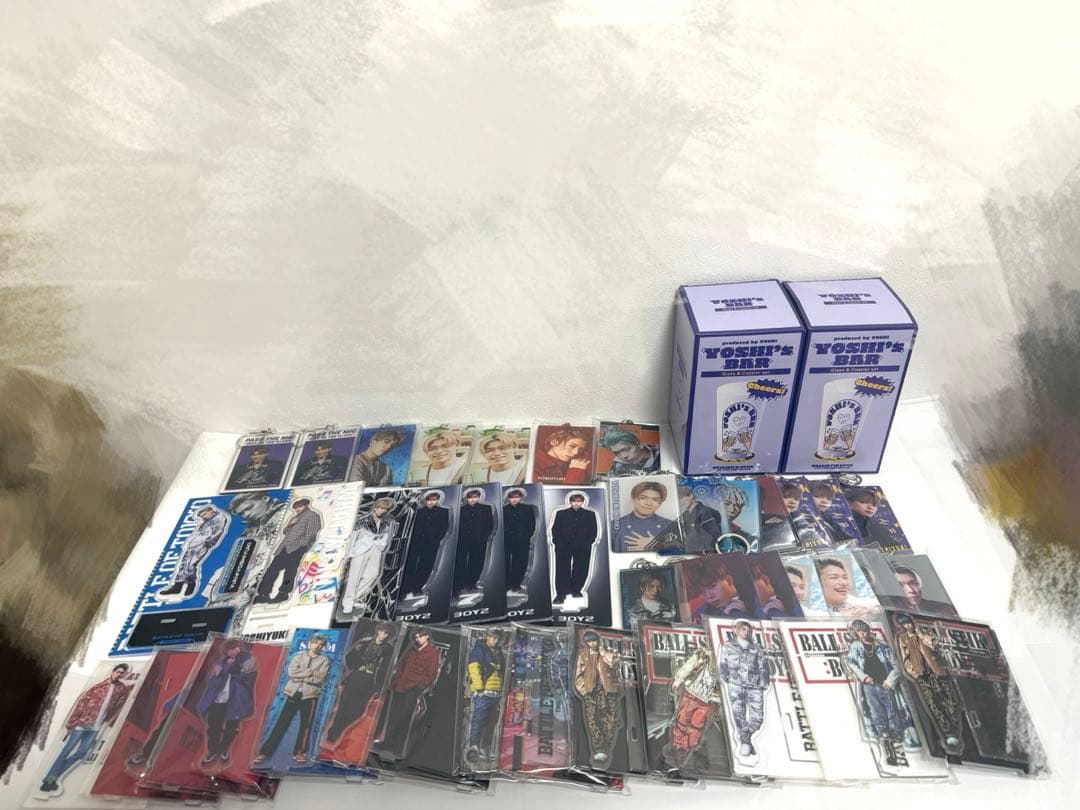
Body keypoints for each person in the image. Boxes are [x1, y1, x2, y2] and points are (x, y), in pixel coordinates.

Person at [39, 664, 133, 794]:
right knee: (66, 751)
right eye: (118, 671)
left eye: (122, 673)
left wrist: (108, 719)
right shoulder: (98, 686)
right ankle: (49, 780)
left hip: (96, 727)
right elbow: (81, 704)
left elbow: (119, 705)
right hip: (82, 724)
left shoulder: (121, 689)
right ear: (113, 671)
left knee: (82, 752)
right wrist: (71, 724)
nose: (119, 674)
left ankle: (53, 777)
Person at [255, 634, 330, 765]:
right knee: (282, 722)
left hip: (310, 695)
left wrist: (302, 676)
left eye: (320, 644)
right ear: (310, 643)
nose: (317, 646)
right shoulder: (298, 657)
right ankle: (265, 752)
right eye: (315, 643)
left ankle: (299, 752)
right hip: (293, 693)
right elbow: (291, 673)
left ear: (323, 647)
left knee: (306, 725)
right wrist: (310, 672)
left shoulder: (324, 660)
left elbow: (320, 678)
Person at [892, 613, 963, 751]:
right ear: (902, 625)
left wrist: (920, 634)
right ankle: (948, 733)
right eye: (905, 624)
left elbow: (934, 644)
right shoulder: (902, 638)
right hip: (921, 675)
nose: (908, 625)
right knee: (933, 703)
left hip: (936, 670)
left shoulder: (924, 631)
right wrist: (914, 672)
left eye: (909, 622)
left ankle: (955, 728)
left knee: (948, 699)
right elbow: (905, 657)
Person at [845, 620, 906, 766]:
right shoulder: (856, 647)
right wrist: (864, 677)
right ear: (855, 633)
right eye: (859, 631)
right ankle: (887, 747)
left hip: (885, 684)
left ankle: (898, 744)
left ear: (868, 629)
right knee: (877, 713)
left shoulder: (882, 645)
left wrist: (890, 681)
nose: (862, 633)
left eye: (864, 629)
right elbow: (852, 663)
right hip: (869, 685)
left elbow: (896, 665)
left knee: (892, 712)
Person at [325, 623, 397, 744]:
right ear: (378, 631)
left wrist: (380, 686)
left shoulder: (390, 650)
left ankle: (341, 731)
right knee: (343, 706)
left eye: (386, 634)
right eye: (382, 632)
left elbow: (386, 669)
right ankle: (334, 733)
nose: (383, 635)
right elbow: (348, 659)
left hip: (370, 682)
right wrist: (358, 664)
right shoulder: (365, 642)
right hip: (355, 677)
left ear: (389, 636)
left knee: (357, 711)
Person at [379, 627, 440, 759]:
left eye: (420, 636)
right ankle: (386, 743)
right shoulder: (412, 650)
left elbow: (431, 675)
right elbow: (401, 666)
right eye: (416, 637)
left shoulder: (432, 653)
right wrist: (395, 681)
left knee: (404, 718)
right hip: (399, 687)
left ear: (427, 636)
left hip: (412, 690)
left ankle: (395, 746)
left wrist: (419, 687)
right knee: (393, 716)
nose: (418, 639)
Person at [197, 639, 257, 766]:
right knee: (213, 727)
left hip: (235, 701)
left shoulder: (246, 658)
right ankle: (213, 751)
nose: (234, 651)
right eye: (230, 650)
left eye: (236, 648)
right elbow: (213, 681)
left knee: (231, 728)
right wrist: (223, 669)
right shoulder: (221, 662)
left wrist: (233, 668)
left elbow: (247, 675)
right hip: (218, 700)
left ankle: (223, 749)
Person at [665, 644, 722, 771]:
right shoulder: (703, 655)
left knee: (696, 727)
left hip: (706, 702)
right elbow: (688, 667)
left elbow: (726, 688)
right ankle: (676, 746)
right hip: (690, 694)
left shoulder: (728, 665)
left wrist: (719, 704)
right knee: (681, 721)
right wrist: (678, 680)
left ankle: (683, 749)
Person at [254, 498, 322, 604]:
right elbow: (285, 532)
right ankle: (263, 594)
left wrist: (302, 545)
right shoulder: (296, 517)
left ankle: (283, 594)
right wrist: (291, 523)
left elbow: (312, 533)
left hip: (296, 547)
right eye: (296, 507)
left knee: (290, 571)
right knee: (272, 570)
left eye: (300, 506)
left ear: (306, 505)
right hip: (284, 547)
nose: (297, 509)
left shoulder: (312, 515)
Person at [718, 619, 769, 758]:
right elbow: (723, 663)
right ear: (736, 630)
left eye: (748, 630)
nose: (746, 632)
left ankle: (746, 738)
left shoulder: (756, 648)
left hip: (754, 685)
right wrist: (727, 678)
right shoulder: (728, 646)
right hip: (736, 685)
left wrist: (763, 682)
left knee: (758, 718)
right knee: (738, 715)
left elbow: (763, 665)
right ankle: (746, 744)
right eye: (743, 629)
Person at [573, 631, 622, 766]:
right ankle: (599, 749)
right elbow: (579, 674)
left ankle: (606, 745)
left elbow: (614, 664)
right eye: (589, 641)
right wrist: (583, 691)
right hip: (590, 691)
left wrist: (603, 651)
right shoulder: (583, 654)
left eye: (594, 640)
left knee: (612, 717)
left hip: (609, 690)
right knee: (592, 718)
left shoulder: (608, 652)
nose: (592, 643)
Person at [158, 505, 228, 598]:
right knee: (184, 564)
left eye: (204, 514)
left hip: (201, 544)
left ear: (210, 511)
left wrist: (209, 542)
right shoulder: (207, 521)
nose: (203, 517)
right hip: (195, 544)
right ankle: (178, 586)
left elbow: (218, 531)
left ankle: (190, 585)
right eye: (201, 516)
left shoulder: (219, 517)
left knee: (191, 564)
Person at [341, 498, 397, 614]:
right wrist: (349, 553)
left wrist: (380, 545)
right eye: (382, 508)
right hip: (360, 549)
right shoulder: (362, 520)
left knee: (373, 574)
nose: (383, 511)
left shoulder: (386, 522)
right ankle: (348, 602)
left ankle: (356, 597)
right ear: (376, 507)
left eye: (386, 509)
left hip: (376, 549)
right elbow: (353, 537)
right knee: (355, 576)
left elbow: (386, 537)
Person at [550, 492, 599, 606]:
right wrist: (558, 542)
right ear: (570, 502)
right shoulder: (561, 513)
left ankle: (576, 589)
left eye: (579, 501)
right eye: (574, 501)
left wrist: (587, 543)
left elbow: (593, 531)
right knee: (562, 569)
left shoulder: (590, 514)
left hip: (583, 546)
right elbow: (555, 529)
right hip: (563, 546)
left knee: (581, 568)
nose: (576, 503)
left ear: (582, 502)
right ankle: (560, 594)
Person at [399, 491, 450, 598]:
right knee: (410, 565)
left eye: (434, 500)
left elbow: (444, 528)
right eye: (428, 499)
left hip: (431, 544)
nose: (431, 502)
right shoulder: (418, 512)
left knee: (426, 565)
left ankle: (417, 587)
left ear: (438, 500)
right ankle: (404, 589)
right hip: (415, 543)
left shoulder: (444, 512)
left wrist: (436, 540)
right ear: (424, 500)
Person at [466, 629, 505, 761]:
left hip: (495, 693)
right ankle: (474, 747)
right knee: (478, 720)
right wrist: (479, 688)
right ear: (487, 637)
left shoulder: (499, 653)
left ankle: (485, 748)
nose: (495, 640)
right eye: (493, 637)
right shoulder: (479, 650)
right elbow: (473, 668)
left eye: (497, 638)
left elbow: (502, 672)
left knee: (491, 722)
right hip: (483, 693)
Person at [453, 488, 495, 598]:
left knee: (477, 562)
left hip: (479, 541)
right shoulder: (460, 509)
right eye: (469, 497)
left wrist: (483, 537)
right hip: (462, 541)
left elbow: (490, 525)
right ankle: (458, 585)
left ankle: (472, 583)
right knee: (460, 563)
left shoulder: (486, 509)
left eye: (475, 497)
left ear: (479, 497)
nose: (472, 499)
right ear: (466, 498)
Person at [616, 480, 672, 551]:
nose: (648, 503)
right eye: (643, 498)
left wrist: (657, 546)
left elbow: (680, 554)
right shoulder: (615, 526)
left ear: (660, 503)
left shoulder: (671, 526)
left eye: (655, 500)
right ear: (633, 499)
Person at [668, 485, 725, 553]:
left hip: (705, 554)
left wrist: (708, 552)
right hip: (690, 552)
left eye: (681, 498)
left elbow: (714, 536)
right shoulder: (685, 514)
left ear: (691, 495)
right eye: (677, 500)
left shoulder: (704, 512)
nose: (679, 502)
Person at [889, 564, 958, 618]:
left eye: (913, 583)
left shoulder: (945, 609)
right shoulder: (889, 608)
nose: (910, 590)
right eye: (901, 585)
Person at [502, 488, 537, 594]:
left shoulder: (528, 509)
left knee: (521, 562)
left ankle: (516, 584)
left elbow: (532, 525)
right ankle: (506, 584)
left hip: (522, 541)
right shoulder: (503, 510)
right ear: (507, 498)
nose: (514, 499)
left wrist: (526, 536)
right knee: (505, 562)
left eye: (517, 497)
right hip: (506, 541)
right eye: (511, 497)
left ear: (521, 497)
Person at [781, 481, 831, 549]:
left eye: (796, 499)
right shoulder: (798, 520)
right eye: (786, 497)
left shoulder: (802, 520)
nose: (792, 501)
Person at [807, 480, 853, 545]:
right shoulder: (803, 520)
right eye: (819, 496)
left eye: (829, 498)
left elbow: (846, 539)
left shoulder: (828, 519)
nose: (825, 501)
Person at [718, 482, 758, 552]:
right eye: (727, 504)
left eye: (738, 506)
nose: (732, 510)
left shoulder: (745, 536)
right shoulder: (702, 527)